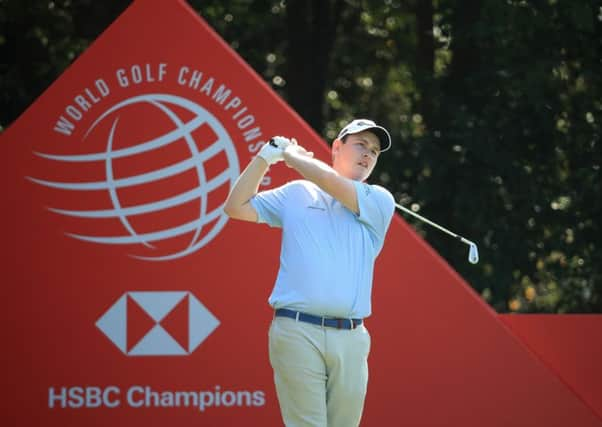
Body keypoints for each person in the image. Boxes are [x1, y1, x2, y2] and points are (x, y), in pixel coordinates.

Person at [224, 119, 395, 427]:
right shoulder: (296, 194)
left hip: (351, 337)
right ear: (337, 148)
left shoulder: (379, 200)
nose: (368, 155)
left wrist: (292, 156)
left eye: (374, 151)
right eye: (361, 145)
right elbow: (236, 206)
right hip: (296, 330)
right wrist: (266, 156)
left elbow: (331, 184)